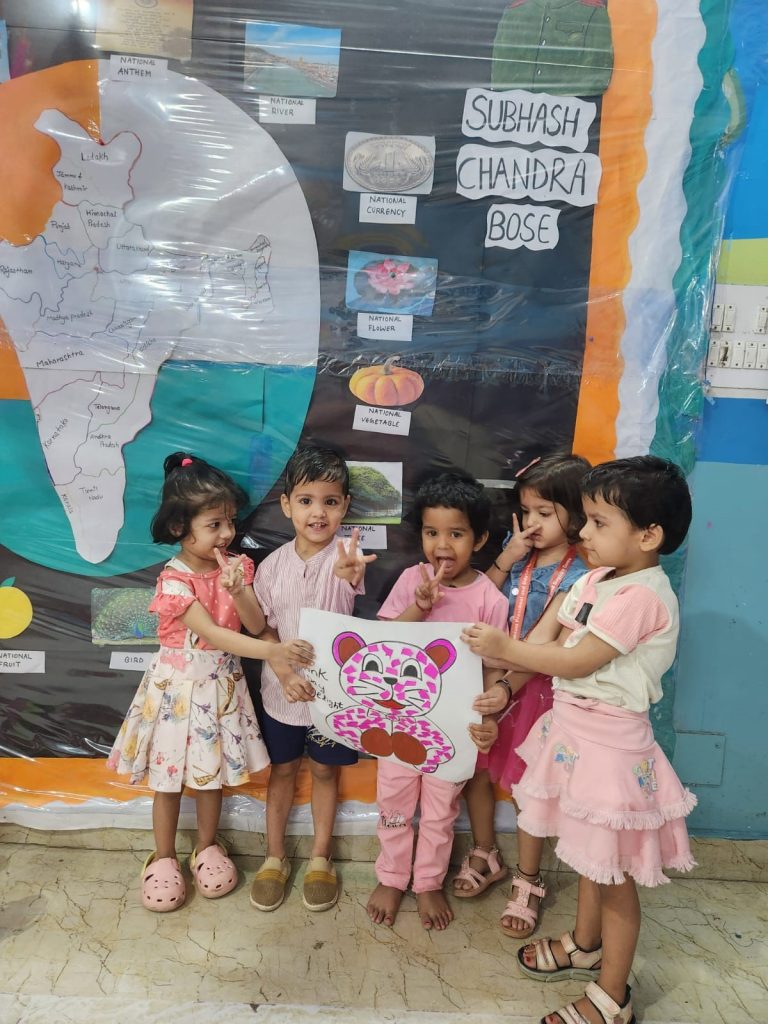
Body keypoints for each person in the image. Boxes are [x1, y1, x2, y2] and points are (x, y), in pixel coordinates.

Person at [462, 456, 696, 1024]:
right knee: (588, 857)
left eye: (598, 522)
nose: (583, 532)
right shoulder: (594, 579)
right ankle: (586, 945)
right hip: (572, 738)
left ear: (648, 535)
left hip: (610, 752)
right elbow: (546, 639)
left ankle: (613, 998)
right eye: (585, 519)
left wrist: (505, 648)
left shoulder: (642, 596)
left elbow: (578, 660)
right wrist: (504, 686)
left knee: (612, 877)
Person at [108, 452, 313, 913]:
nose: (227, 533)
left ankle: (206, 847)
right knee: (167, 781)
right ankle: (163, 857)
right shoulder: (173, 581)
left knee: (210, 776)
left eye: (231, 522)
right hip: (179, 691)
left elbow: (255, 623)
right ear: (180, 527)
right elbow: (214, 634)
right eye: (214, 524)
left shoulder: (238, 567)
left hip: (221, 690)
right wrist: (274, 652)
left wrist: (238, 590)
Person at [453, 454, 591, 943]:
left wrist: (506, 686)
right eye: (526, 511)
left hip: (536, 695)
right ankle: (485, 851)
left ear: (577, 515)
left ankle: (528, 878)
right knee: (476, 770)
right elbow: (472, 599)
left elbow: (545, 647)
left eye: (544, 513)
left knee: (530, 788)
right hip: (489, 682)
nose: (531, 522)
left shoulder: (580, 577)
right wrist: (507, 558)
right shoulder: (518, 561)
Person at [366, 471, 509, 931]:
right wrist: (420, 607)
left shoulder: (489, 598)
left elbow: (494, 669)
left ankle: (428, 881)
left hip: (452, 728)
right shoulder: (413, 579)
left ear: (479, 539)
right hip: (397, 722)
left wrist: (492, 717)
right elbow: (383, 644)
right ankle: (392, 876)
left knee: (441, 810)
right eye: (432, 533)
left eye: (456, 534)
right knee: (393, 802)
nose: (442, 545)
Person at [250, 444, 376, 913]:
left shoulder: (347, 557)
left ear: (345, 507)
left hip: (332, 697)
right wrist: (284, 672)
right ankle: (274, 857)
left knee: (325, 770)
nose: (318, 512)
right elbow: (263, 629)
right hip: (280, 694)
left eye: (330, 501)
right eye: (306, 501)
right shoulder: (270, 567)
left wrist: (350, 571)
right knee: (282, 770)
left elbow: (350, 578)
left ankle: (321, 856)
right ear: (287, 505)